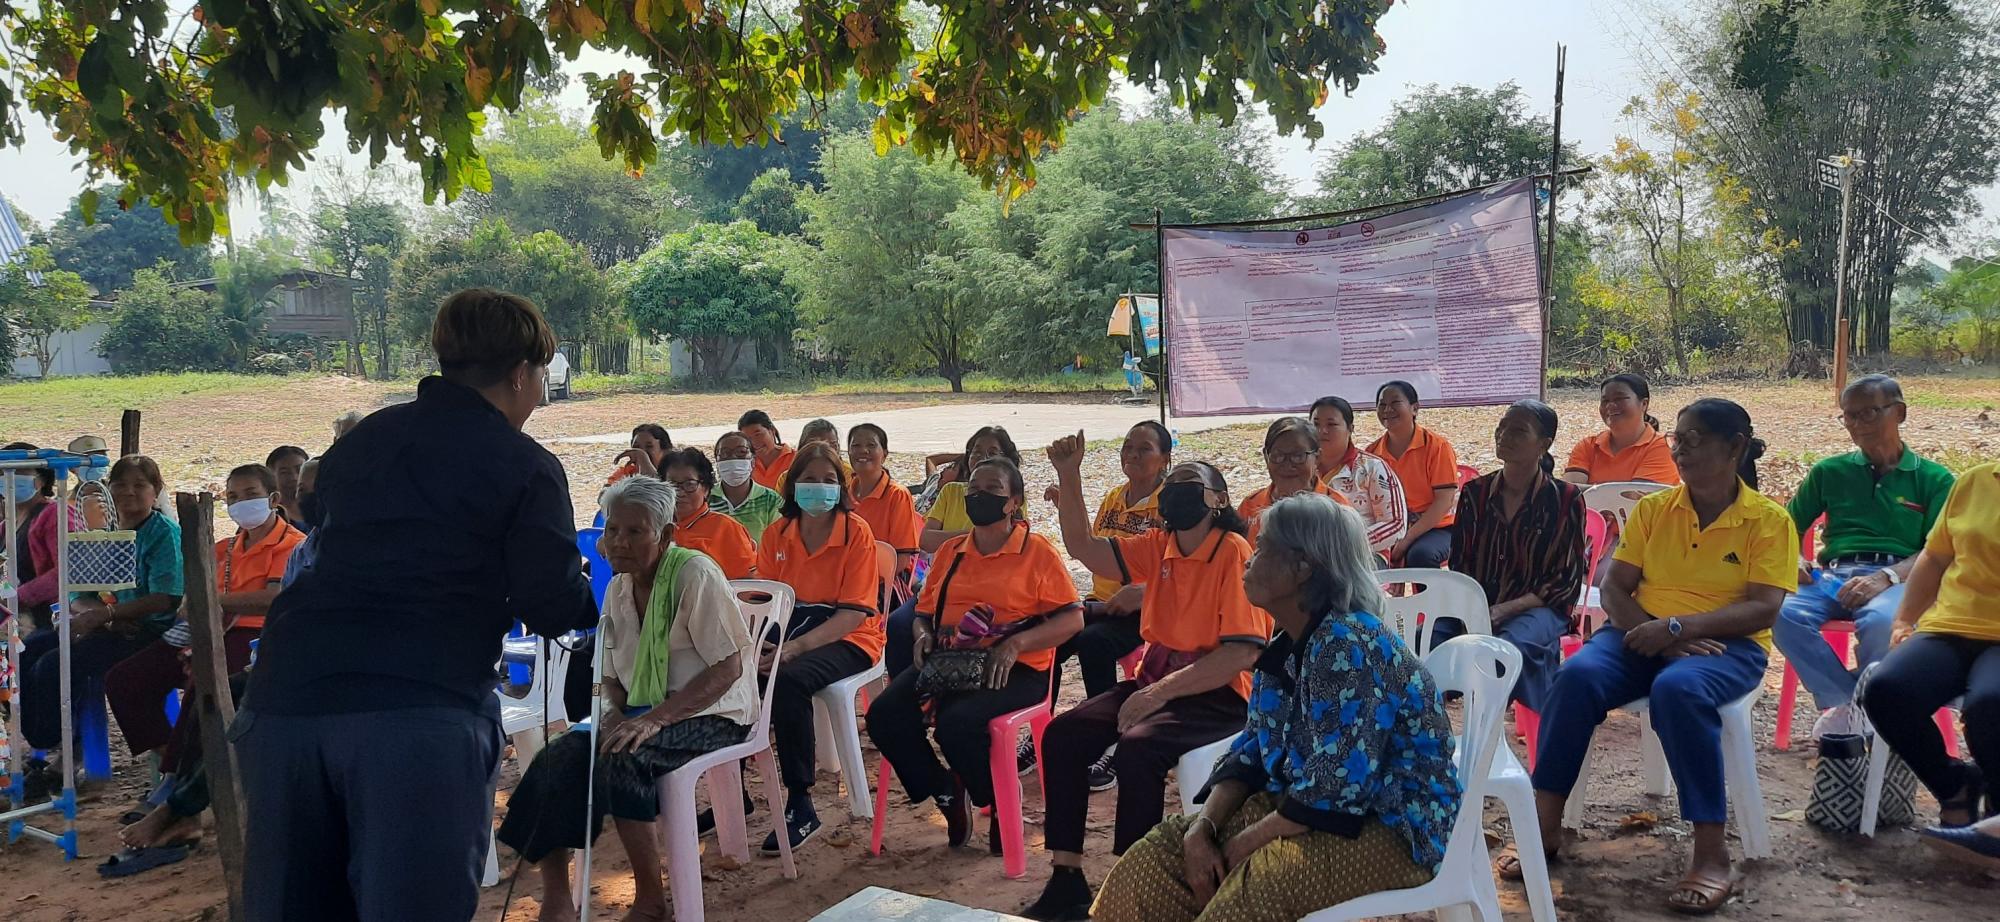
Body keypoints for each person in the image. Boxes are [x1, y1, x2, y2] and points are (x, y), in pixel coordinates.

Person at [237, 289, 599, 921]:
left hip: (285, 702)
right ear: (521, 373)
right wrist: (584, 590)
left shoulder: (364, 440)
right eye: (542, 376)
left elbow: (334, 532)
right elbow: (550, 603)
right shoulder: (524, 465)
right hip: (416, 712)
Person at [1089, 494, 1459, 922]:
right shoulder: (1287, 642)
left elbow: (1336, 788)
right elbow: (1251, 749)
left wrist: (1242, 844)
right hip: (1302, 804)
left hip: (1393, 825)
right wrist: (1202, 829)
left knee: (1254, 888)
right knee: (1156, 860)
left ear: (1303, 567)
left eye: (1263, 547)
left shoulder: (1347, 644)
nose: (1249, 558)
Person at [1505, 398, 1792, 915]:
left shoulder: (1767, 520)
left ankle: (1711, 853)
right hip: (1640, 631)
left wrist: (1680, 629)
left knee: (1678, 689)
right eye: (1678, 439)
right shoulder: (1655, 510)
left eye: (1695, 439)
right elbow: (1615, 588)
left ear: (1735, 447)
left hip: (1727, 644)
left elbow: (1764, 606)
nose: (1681, 450)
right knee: (1575, 678)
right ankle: (1543, 826)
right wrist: (1656, 631)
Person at [1028, 436, 1269, 920]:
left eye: (1190, 484)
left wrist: (1158, 693)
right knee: (1063, 735)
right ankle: (1066, 878)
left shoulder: (1232, 551)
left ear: (1218, 500)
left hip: (1220, 692)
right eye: (1172, 485)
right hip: (1158, 678)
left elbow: (1241, 653)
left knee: (1138, 748)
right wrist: (1070, 475)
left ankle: (1132, 885)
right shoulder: (1160, 545)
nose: (1176, 492)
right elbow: (1084, 548)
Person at [497, 476, 757, 922]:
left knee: (624, 757)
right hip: (642, 708)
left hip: (714, 710)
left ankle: (651, 899)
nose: (619, 542)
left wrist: (654, 719)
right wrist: (614, 713)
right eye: (613, 530)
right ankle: (557, 899)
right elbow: (611, 676)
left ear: (666, 535)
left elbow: (728, 668)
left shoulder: (694, 574)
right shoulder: (619, 587)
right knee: (554, 759)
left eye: (635, 531)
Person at [866, 457, 1083, 851]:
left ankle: (999, 800)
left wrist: (1016, 643)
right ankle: (946, 790)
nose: (980, 496)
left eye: (992, 489)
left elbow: (1072, 619)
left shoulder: (1036, 552)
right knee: (884, 716)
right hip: (952, 662)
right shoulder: (952, 551)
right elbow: (924, 612)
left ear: (1013, 502)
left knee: (956, 724)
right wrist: (922, 635)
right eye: (974, 489)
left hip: (1016, 669)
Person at [1780, 375, 1954, 740]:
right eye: (1849, 415)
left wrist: (1885, 577)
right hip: (1832, 575)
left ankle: (1864, 709)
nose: (1857, 424)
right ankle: (1850, 703)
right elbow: (1784, 527)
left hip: (1898, 577)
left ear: (1899, 413)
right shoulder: (1829, 471)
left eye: (1869, 413)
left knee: (1883, 622)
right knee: (1778, 611)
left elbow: (1937, 549)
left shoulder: (1934, 479)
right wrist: (1794, 559)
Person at [107, 464, 304, 769]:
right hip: (207, 628)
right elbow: (194, 589)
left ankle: (182, 774)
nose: (241, 502)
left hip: (258, 636)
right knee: (125, 680)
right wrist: (196, 603)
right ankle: (178, 761)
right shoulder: (224, 547)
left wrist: (210, 602)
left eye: (250, 494)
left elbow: (272, 599)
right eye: (233, 496)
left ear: (273, 498)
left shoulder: (291, 543)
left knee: (205, 686)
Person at [18, 455, 183, 800]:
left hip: (147, 631)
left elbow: (165, 598)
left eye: (139, 485)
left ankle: (55, 746)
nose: (129, 492)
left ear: (156, 490)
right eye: (120, 484)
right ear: (109, 489)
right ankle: (42, 744)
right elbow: (78, 591)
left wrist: (109, 616)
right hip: (108, 623)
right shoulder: (104, 533)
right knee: (29, 649)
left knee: (53, 665)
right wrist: (99, 615)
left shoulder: (163, 533)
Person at [1862, 457, 2000, 868]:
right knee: (1887, 690)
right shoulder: (1977, 481)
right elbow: (1936, 556)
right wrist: (1904, 619)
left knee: (1989, 706)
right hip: (1950, 626)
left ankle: (1994, 818)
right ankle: (1955, 787)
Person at [753, 442, 884, 854]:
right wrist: (762, 647)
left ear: (841, 488)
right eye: (809, 479)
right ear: (793, 486)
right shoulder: (777, 533)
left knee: (788, 680)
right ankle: (732, 792)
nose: (819, 487)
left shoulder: (856, 532)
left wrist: (794, 649)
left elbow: (853, 614)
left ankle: (800, 802)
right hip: (790, 631)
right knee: (738, 674)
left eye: (829, 480)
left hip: (850, 637)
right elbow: (768, 602)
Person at [1030, 421, 1171, 779]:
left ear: (1165, 459)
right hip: (1102, 602)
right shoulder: (1115, 498)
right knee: (1051, 635)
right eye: (1128, 446)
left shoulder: (1172, 504)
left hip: (1148, 609)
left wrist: (1147, 592)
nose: (1132, 454)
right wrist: (1067, 494)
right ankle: (1038, 725)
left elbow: (1182, 568)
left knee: (1095, 642)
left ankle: (1108, 738)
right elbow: (1090, 545)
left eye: (1144, 448)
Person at [1439, 400, 1587, 714]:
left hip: (1539, 606)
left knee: (1508, 648)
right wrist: (1476, 612)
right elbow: (1461, 563)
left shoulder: (1565, 499)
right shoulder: (1476, 493)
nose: (1504, 435)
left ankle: (1495, 727)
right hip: (1479, 602)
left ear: (1544, 444)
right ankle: (1427, 731)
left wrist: (1503, 610)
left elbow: (1564, 581)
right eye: (1502, 427)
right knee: (1421, 646)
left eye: (1518, 430)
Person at [885, 426, 1028, 680]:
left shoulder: (1010, 498)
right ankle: (915, 682)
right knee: (898, 625)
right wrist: (975, 536)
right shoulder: (951, 492)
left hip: (989, 592)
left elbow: (1012, 542)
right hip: (940, 586)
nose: (983, 458)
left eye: (992, 452)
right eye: (976, 452)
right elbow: (926, 539)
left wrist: (960, 538)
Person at [1365, 381, 1460, 568]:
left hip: (1437, 527)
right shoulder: (1372, 453)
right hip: (1390, 528)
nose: (1387, 410)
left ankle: (1428, 590)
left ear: (1414, 408)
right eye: (1382, 405)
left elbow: (1444, 502)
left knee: (1421, 555)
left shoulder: (1437, 447)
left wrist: (1406, 539)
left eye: (1395, 403)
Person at [1310, 396, 1407, 559]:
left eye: (1331, 424)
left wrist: (1344, 546)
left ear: (1350, 429)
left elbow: (1396, 524)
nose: (1322, 431)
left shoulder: (1372, 468)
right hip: (1312, 556)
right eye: (1316, 424)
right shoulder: (1301, 469)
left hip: (1366, 555)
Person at [1235, 416, 1348, 544]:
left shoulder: (1338, 509)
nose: (1287, 465)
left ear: (1317, 457)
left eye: (1298, 456)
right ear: (1266, 457)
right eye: (1278, 456)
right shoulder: (1250, 506)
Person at [1563, 374, 1677, 486]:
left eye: (1619, 399)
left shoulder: (1663, 446)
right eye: (1605, 401)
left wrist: (1588, 491)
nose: (1610, 405)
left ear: (1644, 404)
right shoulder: (1587, 446)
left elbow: (1637, 494)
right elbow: (1568, 492)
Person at [661, 448, 755, 580]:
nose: (679, 492)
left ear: (705, 489)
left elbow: (746, 582)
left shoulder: (726, 528)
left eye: (689, 484)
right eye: (672, 485)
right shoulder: (654, 525)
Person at [847, 423, 922, 578]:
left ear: (885, 454)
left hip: (885, 580)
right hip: (847, 576)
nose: (863, 450)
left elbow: (902, 559)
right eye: (856, 445)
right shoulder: (843, 494)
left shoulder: (897, 495)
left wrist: (865, 583)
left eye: (871, 445)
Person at [4, 441, 57, 625]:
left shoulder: (55, 515)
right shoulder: (8, 524)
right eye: (4, 472)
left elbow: (69, 570)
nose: (10, 477)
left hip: (48, 618)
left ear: (41, 480)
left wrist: (18, 598)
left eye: (20, 472)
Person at [710, 431, 784, 543]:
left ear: (753, 462)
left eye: (741, 452)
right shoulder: (705, 498)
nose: (733, 458)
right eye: (725, 453)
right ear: (717, 463)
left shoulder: (771, 500)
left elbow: (778, 543)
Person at [774, 418, 848, 497]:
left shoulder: (850, 475)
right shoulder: (786, 478)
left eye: (830, 481)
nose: (824, 450)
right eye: (809, 479)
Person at [739, 410, 796, 489]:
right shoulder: (744, 464)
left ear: (772, 431)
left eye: (758, 434)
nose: (754, 442)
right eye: (747, 438)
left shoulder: (796, 458)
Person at [608, 424, 674, 484]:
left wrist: (643, 459)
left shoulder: (675, 473)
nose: (641, 451)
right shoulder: (626, 473)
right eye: (636, 447)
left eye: (649, 446)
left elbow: (657, 490)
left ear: (666, 450)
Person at [265, 446, 311, 527]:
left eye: (300, 469)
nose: (294, 477)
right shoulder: (266, 516)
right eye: (284, 472)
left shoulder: (323, 506)